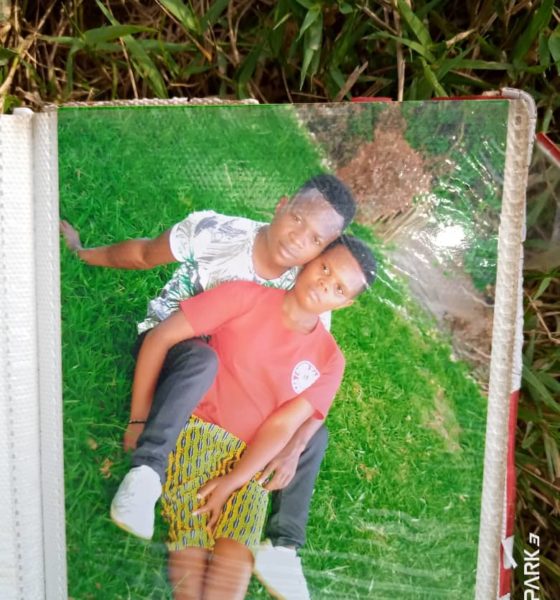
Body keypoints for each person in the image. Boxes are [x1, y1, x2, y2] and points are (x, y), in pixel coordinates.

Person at [61, 174, 356, 599]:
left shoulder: (309, 291)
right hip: (175, 349)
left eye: (314, 240)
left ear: (321, 252)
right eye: (296, 219)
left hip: (232, 383)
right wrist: (82, 252)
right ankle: (148, 472)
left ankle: (283, 546)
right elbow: (143, 254)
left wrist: (294, 447)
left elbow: (305, 385)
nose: (297, 240)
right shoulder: (216, 232)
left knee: (313, 429)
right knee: (204, 359)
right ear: (281, 205)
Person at [116, 235, 377, 599]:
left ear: (345, 303)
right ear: (309, 261)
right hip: (199, 433)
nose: (324, 285)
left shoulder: (330, 359)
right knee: (191, 539)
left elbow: (283, 425)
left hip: (253, 461)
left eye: (338, 288)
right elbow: (162, 337)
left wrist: (234, 481)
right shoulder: (243, 296)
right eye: (324, 269)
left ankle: (273, 548)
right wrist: (139, 420)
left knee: (236, 554)